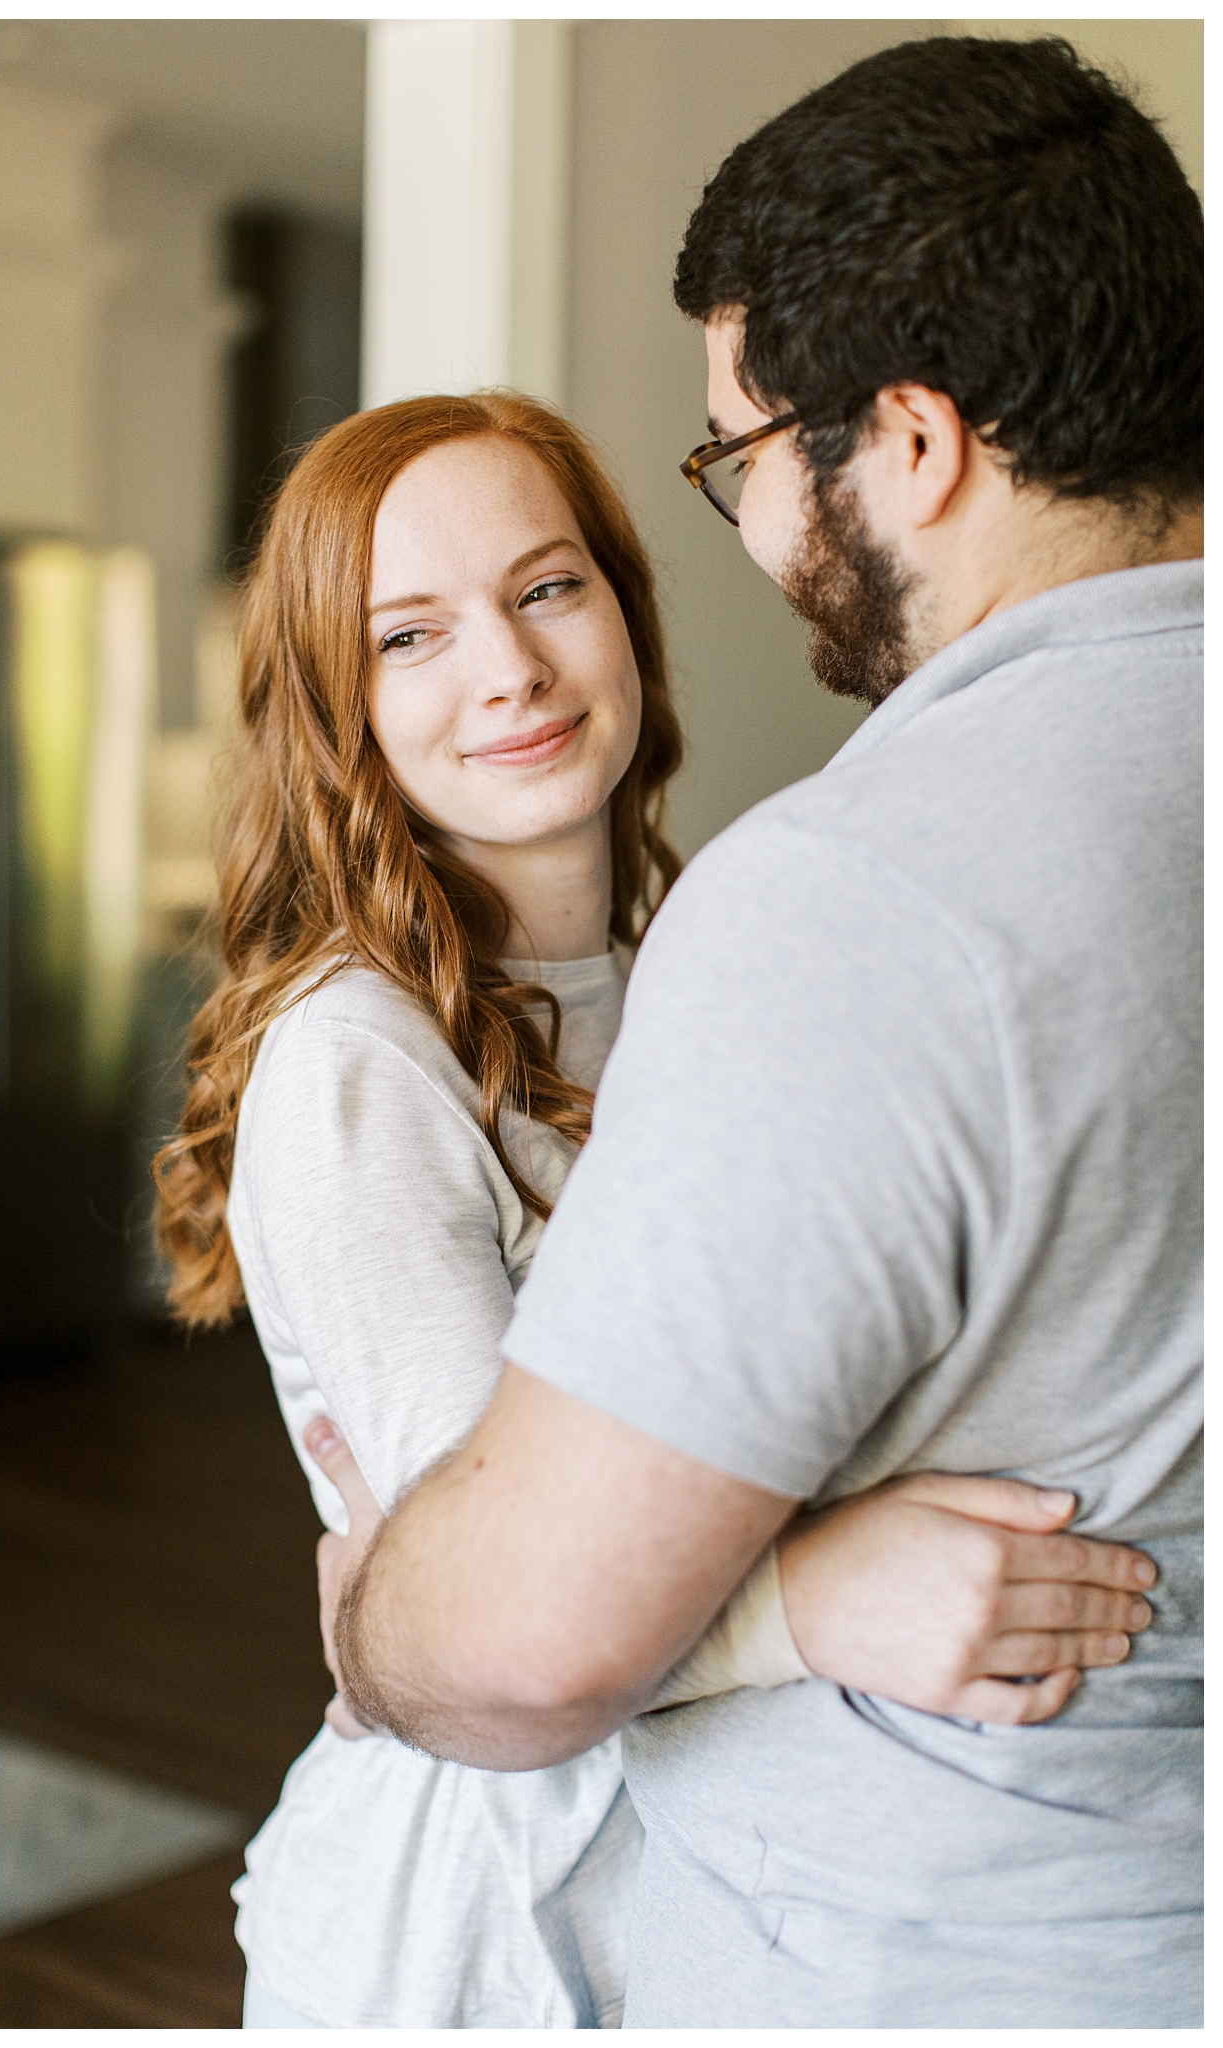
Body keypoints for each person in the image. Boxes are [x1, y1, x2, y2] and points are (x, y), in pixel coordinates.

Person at [326, 36, 1203, 2030]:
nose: (739, 519)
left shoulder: (850, 896)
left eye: (739, 454)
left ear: (907, 443)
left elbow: (519, 1643)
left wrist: (379, 1631)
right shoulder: (367, 1059)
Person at [154, 389, 1154, 2031]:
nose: (510, 670)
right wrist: (816, 1595)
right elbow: (494, 1614)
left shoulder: (709, 948)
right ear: (332, 708)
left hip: (719, 1885)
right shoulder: (356, 1060)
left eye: (547, 588)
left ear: (624, 607)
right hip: (475, 1934)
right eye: (409, 636)